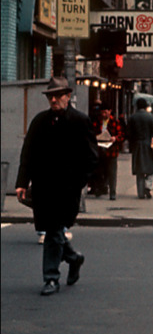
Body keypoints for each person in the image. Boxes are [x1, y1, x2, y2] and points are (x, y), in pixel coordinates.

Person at [15, 76, 99, 296]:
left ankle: (51, 278)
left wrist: (80, 182)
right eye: (51, 96)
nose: (54, 100)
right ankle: (73, 258)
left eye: (58, 96)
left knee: (53, 230)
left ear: (68, 96)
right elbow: (28, 153)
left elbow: (91, 156)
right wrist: (22, 183)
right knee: (53, 230)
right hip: (43, 187)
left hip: (68, 188)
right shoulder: (40, 121)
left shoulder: (80, 121)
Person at [126, 98, 153, 199]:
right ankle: (148, 186)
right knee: (149, 168)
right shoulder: (150, 117)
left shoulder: (132, 117)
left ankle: (140, 192)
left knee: (139, 169)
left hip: (136, 145)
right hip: (147, 144)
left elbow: (129, 133)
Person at [91, 102, 124, 199]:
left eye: (106, 112)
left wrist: (115, 138)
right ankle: (100, 188)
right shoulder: (97, 122)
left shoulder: (115, 122)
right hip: (100, 149)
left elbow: (121, 135)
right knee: (99, 171)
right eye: (102, 113)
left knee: (112, 172)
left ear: (110, 112)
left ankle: (112, 192)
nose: (104, 115)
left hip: (111, 150)